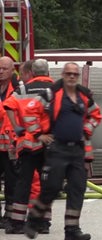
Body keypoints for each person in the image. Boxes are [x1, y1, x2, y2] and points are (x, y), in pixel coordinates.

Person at [23, 62, 102, 240]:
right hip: (57, 148)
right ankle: (34, 220)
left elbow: (96, 115)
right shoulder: (52, 93)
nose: (72, 77)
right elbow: (29, 111)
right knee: (52, 187)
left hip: (77, 150)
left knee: (77, 189)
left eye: (75, 74)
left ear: (78, 76)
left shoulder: (84, 95)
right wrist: (39, 134)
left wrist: (87, 130)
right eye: (68, 74)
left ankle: (72, 231)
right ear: (63, 75)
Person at [4, 59, 54, 234]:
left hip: (28, 146)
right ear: (47, 72)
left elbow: (8, 105)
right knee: (45, 183)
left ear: (32, 71)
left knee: (23, 183)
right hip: (49, 146)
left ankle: (17, 223)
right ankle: (44, 222)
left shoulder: (23, 90)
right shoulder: (56, 90)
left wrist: (17, 127)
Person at [0, 56, 19, 229]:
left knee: (12, 182)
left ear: (12, 70)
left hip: (11, 145)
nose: (0, 71)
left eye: (4, 68)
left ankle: (10, 215)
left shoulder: (19, 90)